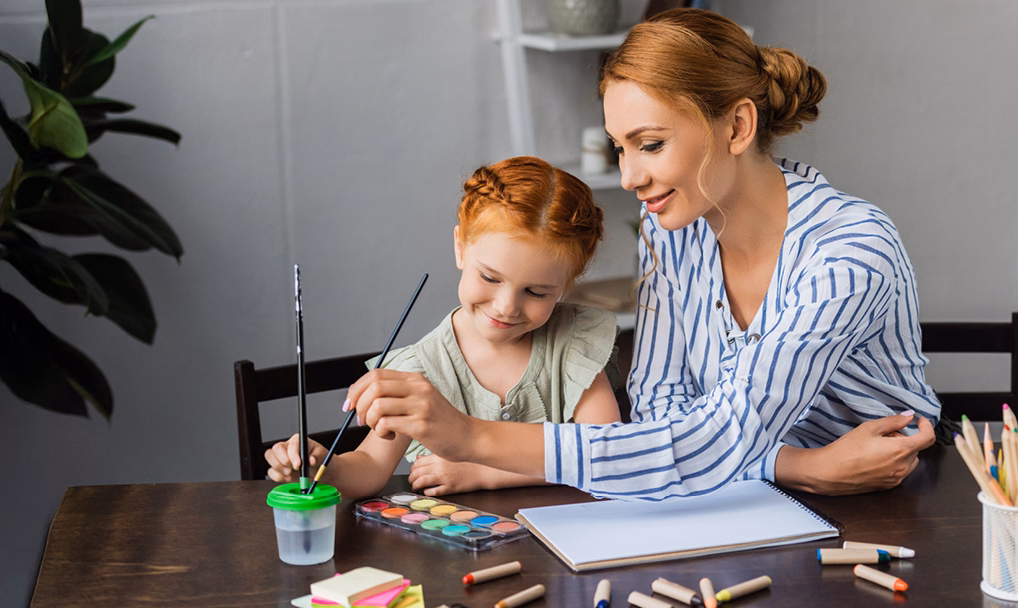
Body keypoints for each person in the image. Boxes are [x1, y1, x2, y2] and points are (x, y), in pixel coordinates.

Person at [345, 8, 939, 501]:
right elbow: (660, 410)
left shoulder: (849, 253)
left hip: (886, 502)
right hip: (734, 495)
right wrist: (798, 466)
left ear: (737, 126)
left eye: (650, 144)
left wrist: (473, 438)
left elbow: (714, 441)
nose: (629, 177)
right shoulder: (670, 227)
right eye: (619, 148)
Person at [265, 156, 621, 499]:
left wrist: (484, 473)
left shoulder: (575, 342)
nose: (506, 307)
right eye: (489, 278)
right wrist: (324, 470)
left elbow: (605, 454)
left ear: (567, 283)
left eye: (537, 292)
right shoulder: (420, 369)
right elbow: (371, 466)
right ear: (460, 247)